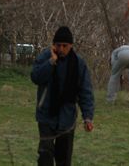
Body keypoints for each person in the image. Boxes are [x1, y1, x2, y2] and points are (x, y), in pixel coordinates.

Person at [31, 26, 94, 166]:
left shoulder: (78, 63)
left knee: (64, 157)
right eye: (58, 45)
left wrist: (87, 117)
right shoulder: (45, 57)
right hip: (46, 114)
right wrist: (51, 62)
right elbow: (35, 77)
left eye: (64, 46)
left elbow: (85, 91)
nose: (61, 49)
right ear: (53, 45)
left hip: (67, 116)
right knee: (45, 154)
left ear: (71, 45)